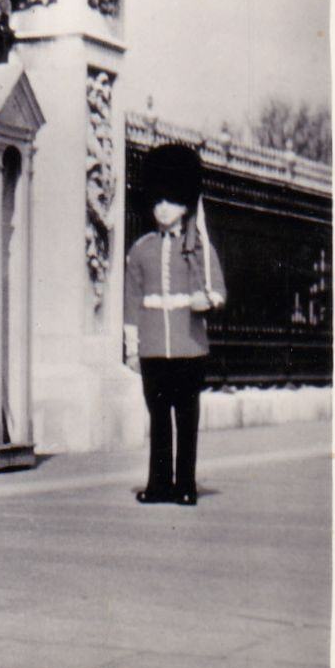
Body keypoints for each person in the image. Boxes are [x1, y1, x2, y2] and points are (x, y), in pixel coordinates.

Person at [123, 143, 227, 507]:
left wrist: (208, 300)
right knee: (159, 421)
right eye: (157, 200)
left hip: (189, 345)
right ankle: (158, 483)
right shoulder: (140, 249)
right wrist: (132, 347)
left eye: (170, 199)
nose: (162, 207)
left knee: (186, 418)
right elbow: (132, 301)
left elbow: (218, 289)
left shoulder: (199, 247)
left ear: (185, 202)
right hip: (153, 347)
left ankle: (185, 484)